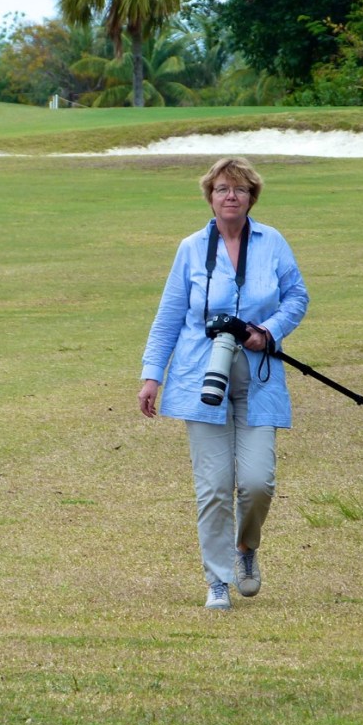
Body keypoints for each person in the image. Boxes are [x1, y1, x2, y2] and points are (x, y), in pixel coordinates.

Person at [138, 157, 309, 610]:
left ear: (252, 196)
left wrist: (267, 331)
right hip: (201, 379)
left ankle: (245, 549)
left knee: (257, 482)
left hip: (259, 378)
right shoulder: (191, 248)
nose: (230, 196)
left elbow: (297, 296)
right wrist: (152, 375)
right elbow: (170, 316)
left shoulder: (272, 243)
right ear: (209, 197)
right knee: (214, 487)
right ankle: (217, 582)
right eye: (220, 189)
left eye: (239, 189)